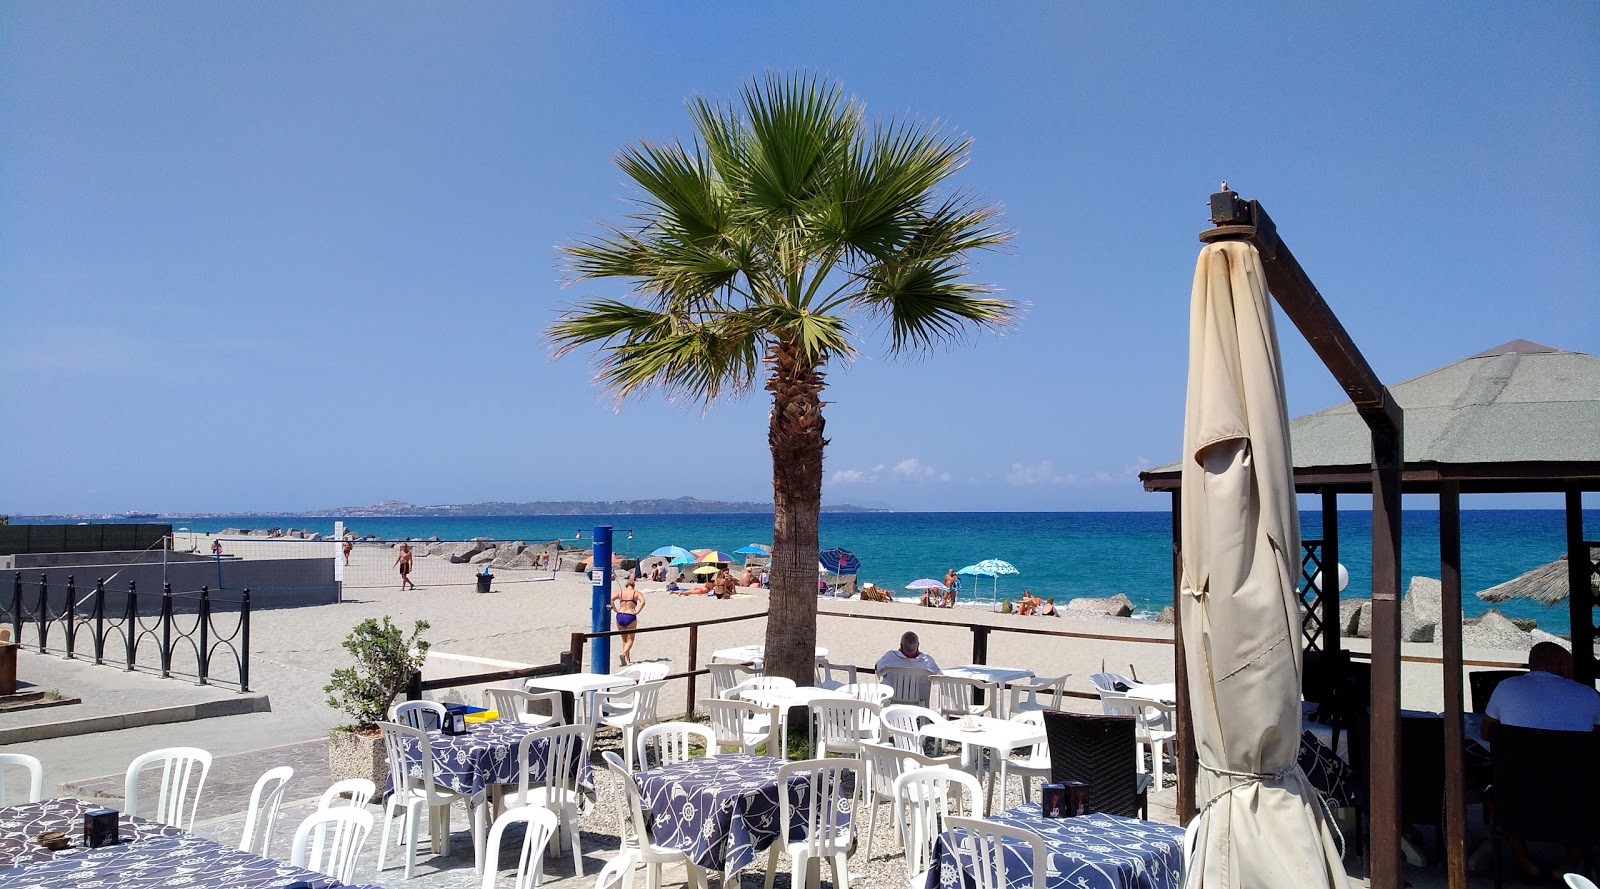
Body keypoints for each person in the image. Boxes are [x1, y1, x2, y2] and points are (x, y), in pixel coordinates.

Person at [1481, 641, 1600, 879]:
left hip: (1517, 794)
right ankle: (1569, 861)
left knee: (1491, 794)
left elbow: (1486, 733)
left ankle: (1525, 861)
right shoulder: (1588, 695)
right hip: (1572, 795)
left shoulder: (1506, 688)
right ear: (1562, 666)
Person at [611, 579, 645, 665]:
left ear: (626, 586)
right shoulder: (636, 593)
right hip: (630, 615)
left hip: (620, 615)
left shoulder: (621, 592)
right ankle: (623, 654)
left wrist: (615, 609)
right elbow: (643, 602)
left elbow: (611, 599)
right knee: (630, 639)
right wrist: (637, 611)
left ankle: (627, 660)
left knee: (624, 639)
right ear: (633, 586)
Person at [875, 631, 940, 674]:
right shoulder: (928, 662)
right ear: (918, 645)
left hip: (894, 695)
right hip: (919, 695)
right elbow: (938, 674)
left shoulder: (890, 657)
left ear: (901, 645)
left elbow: (877, 667)